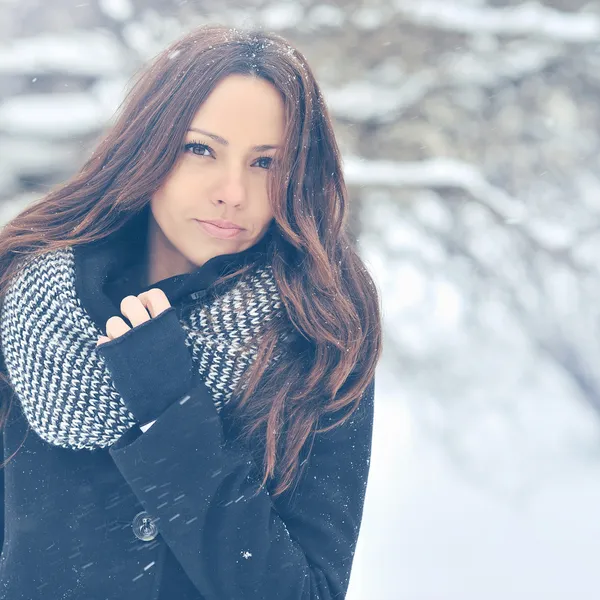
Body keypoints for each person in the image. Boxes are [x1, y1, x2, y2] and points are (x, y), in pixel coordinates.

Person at [0, 24, 382, 599]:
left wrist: (169, 407)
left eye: (265, 163)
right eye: (200, 149)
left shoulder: (318, 338)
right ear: (149, 147)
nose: (233, 191)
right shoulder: (29, 303)